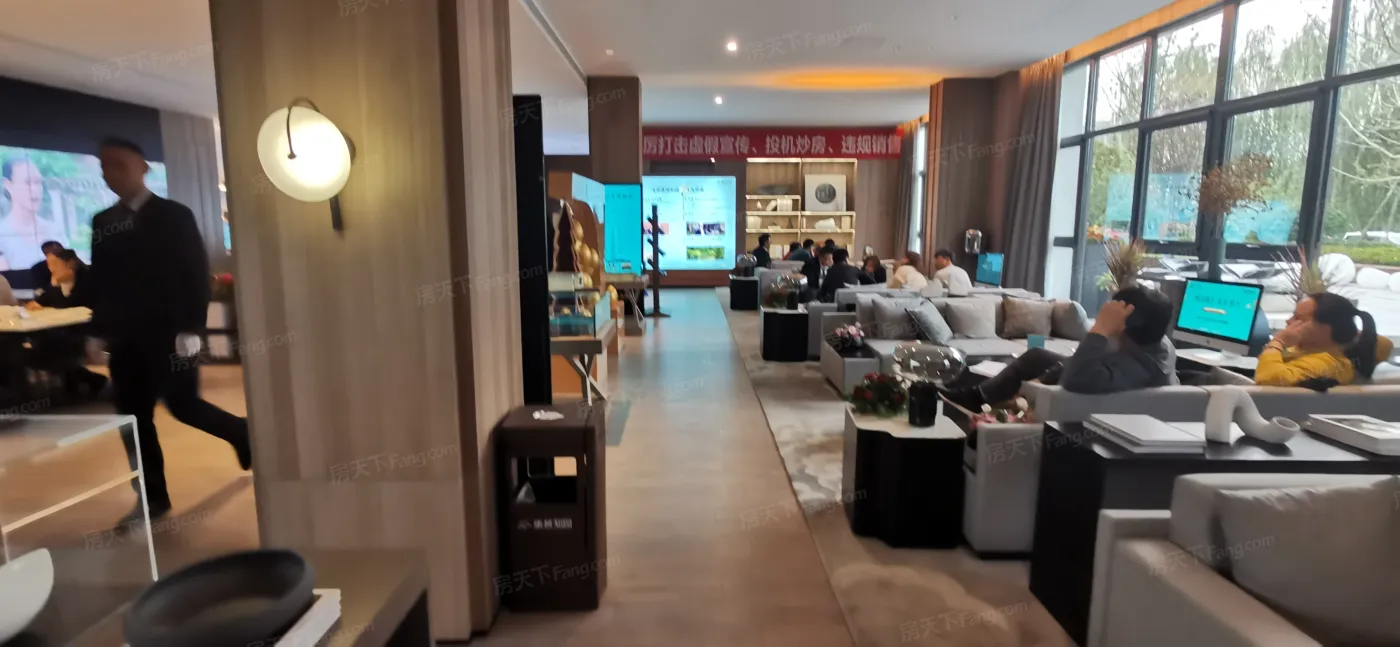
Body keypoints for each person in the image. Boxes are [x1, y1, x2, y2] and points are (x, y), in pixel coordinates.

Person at [91, 137, 250, 525]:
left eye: (120, 164)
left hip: (171, 335)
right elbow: (102, 282)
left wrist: (192, 327)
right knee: (132, 421)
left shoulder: (173, 215)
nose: (111, 174)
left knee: (184, 406)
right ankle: (151, 498)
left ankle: (241, 432)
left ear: (143, 168)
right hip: (125, 340)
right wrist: (98, 330)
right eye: (105, 167)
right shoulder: (102, 222)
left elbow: (195, 273)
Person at [941, 285, 1178, 411]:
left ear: (1127, 323)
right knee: (1036, 357)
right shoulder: (1144, 340)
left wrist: (1099, 331)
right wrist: (1043, 378)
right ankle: (977, 396)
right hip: (1090, 378)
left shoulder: (1143, 368)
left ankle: (980, 402)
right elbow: (1077, 361)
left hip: (1091, 409)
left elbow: (1076, 379)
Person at [1255, 292, 1389, 388]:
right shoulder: (1308, 347)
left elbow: (1269, 378)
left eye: (1298, 318)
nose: (1288, 321)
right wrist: (1344, 329)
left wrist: (1278, 341)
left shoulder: (1328, 364)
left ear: (1325, 329)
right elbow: (1384, 343)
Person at [26, 248, 108, 395]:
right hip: (66, 328)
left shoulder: (86, 280)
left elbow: (66, 307)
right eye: (49, 265)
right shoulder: (57, 280)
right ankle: (85, 379)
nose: (51, 269)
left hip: (87, 327)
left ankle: (84, 379)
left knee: (50, 342)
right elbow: (45, 299)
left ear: (70, 263)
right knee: (43, 339)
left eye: (55, 264)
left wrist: (55, 286)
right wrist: (37, 303)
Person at [1, 157, 65, 270]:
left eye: (38, 182)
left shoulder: (54, 231)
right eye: (27, 182)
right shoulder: (2, 234)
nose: (35, 189)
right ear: (8, 185)